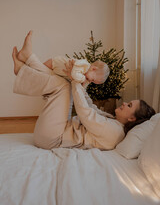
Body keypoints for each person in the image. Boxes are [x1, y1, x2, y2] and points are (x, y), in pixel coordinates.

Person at [12, 31, 156, 150]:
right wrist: (82, 85)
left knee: (64, 86)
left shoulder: (115, 133)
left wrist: (75, 81)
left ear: (132, 118)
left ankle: (27, 63)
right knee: (65, 84)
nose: (124, 103)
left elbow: (85, 113)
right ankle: (28, 60)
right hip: (58, 130)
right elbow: (90, 107)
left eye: (129, 105)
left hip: (53, 138)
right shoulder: (114, 122)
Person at [23, 31, 110, 85]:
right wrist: (82, 79)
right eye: (93, 80)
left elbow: (81, 86)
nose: (91, 81)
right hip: (55, 63)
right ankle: (26, 56)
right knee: (38, 69)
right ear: (93, 69)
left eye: (93, 82)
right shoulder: (84, 65)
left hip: (56, 71)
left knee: (39, 73)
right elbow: (74, 72)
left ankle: (24, 62)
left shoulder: (85, 75)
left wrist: (83, 82)